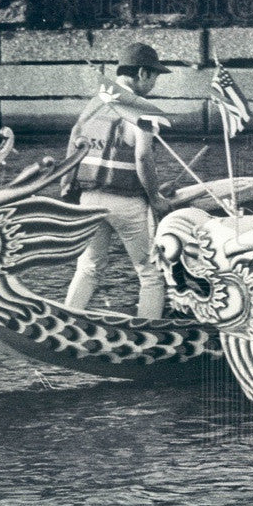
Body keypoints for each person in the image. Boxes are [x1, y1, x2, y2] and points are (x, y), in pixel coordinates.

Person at [62, 42, 172, 319]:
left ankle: (65, 321)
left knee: (88, 267)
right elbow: (143, 157)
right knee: (150, 272)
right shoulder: (141, 109)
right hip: (126, 204)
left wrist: (67, 185)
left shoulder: (96, 102)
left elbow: (75, 137)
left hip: (89, 199)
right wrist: (156, 197)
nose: (155, 83)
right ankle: (150, 335)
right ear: (143, 73)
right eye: (155, 76)